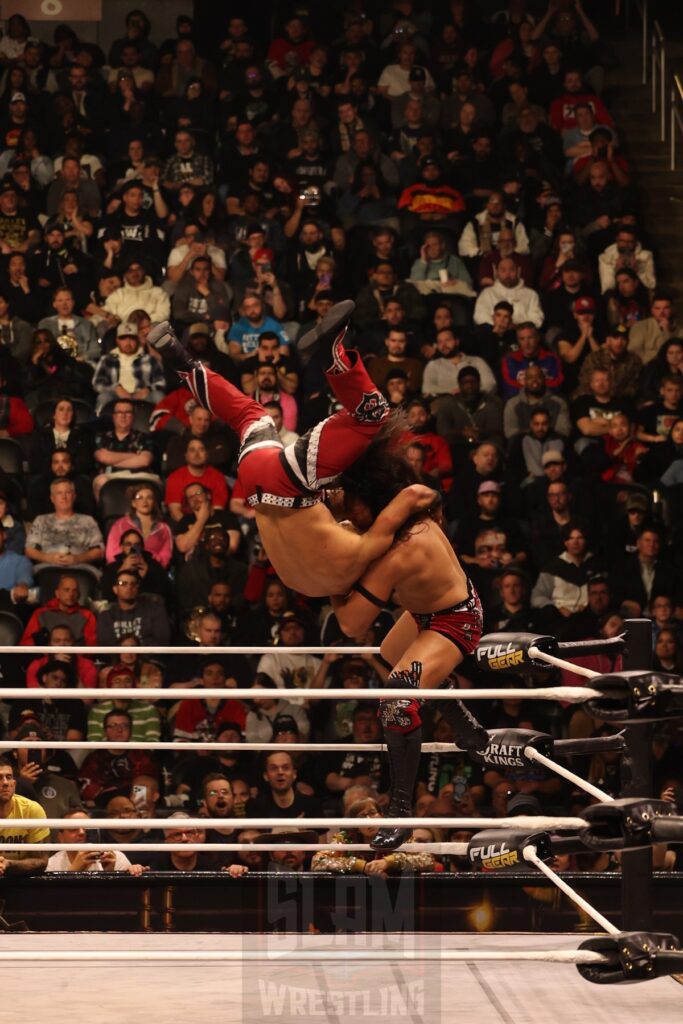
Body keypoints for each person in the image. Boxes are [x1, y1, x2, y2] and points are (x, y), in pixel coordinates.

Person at [148, 301, 435, 597]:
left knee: (374, 416)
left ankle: (332, 356)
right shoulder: (316, 581)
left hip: (285, 484)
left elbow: (417, 495)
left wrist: (433, 507)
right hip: (255, 486)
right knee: (249, 414)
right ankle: (183, 362)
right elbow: (351, 618)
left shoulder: (365, 549)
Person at [331, 444, 492, 851]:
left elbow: (351, 623)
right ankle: (457, 714)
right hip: (428, 613)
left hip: (456, 619)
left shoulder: (401, 551)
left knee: (397, 702)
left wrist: (330, 579)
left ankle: (401, 812)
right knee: (391, 653)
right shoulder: (408, 511)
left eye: (354, 503)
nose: (348, 512)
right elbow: (424, 492)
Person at [0, 756, 49, 877]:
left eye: (9, 777)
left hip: (21, 883)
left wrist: (8, 863)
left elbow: (41, 861)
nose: (5, 783)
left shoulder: (32, 810)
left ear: (14, 784)